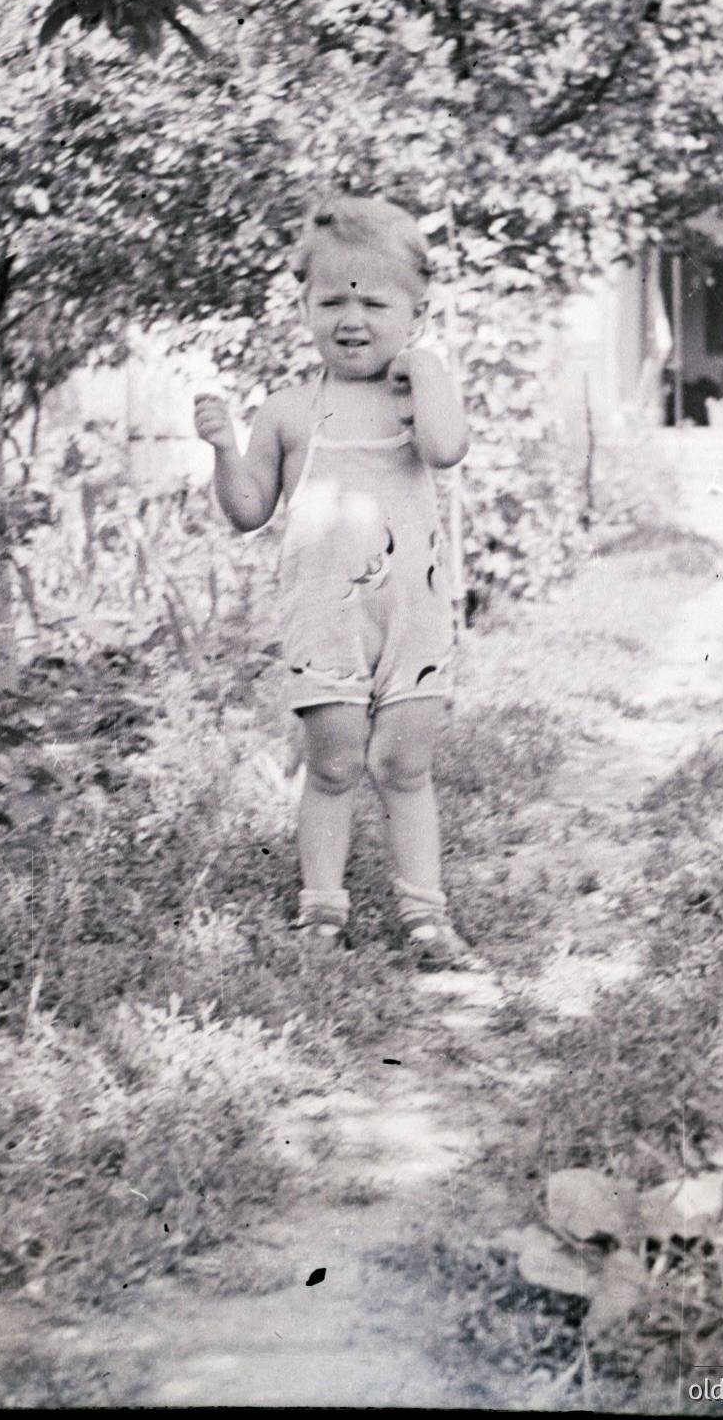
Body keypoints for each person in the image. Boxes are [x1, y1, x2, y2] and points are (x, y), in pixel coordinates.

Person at [194, 193, 471, 968]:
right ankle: (321, 913)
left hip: (411, 615)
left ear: (414, 312)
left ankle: (426, 915)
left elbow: (446, 449)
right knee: (336, 762)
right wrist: (220, 449)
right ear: (305, 308)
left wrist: (426, 368)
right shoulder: (287, 409)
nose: (351, 318)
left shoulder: (419, 394)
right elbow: (248, 509)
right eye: (331, 301)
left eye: (374, 302)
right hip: (326, 617)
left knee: (405, 765)